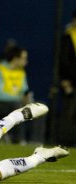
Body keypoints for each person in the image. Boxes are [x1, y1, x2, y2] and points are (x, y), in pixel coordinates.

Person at [0, 47, 37, 144]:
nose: (26, 61)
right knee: (18, 106)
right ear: (15, 59)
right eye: (24, 58)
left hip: (15, 104)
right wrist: (20, 99)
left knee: (38, 107)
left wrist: (28, 98)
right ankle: (19, 140)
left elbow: (24, 89)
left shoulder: (20, 71)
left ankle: (36, 140)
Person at [58, 10, 76, 146]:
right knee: (69, 112)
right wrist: (65, 80)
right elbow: (63, 61)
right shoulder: (68, 37)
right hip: (71, 81)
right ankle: (66, 141)